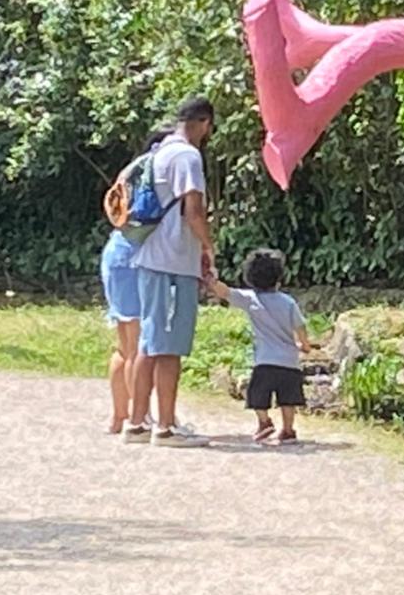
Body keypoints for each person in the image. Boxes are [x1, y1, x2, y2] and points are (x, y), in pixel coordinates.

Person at [121, 96, 217, 448]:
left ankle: (137, 423)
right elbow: (194, 211)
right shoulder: (188, 156)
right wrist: (208, 247)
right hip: (174, 261)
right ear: (204, 122)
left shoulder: (158, 152)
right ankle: (165, 427)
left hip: (148, 256)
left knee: (149, 340)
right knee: (170, 346)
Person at [101, 128, 170, 433]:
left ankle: (119, 417)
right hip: (136, 259)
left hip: (116, 252)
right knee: (139, 346)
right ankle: (139, 420)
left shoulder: (134, 168)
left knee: (124, 344)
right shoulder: (164, 170)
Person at [205, 248, 311, 445]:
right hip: (290, 360)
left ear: (250, 277)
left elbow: (224, 291)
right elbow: (300, 326)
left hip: (265, 360)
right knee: (288, 398)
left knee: (257, 395)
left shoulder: (250, 299)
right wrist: (304, 345)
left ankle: (265, 422)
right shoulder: (288, 302)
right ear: (279, 277)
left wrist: (209, 277)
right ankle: (288, 430)